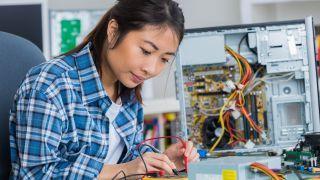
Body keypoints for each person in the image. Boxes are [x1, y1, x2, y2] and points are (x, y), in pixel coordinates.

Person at [9, 0, 199, 179]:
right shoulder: (50, 86)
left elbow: (128, 155)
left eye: (164, 59)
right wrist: (125, 170)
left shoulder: (128, 88)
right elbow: (36, 175)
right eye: (146, 51)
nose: (151, 68)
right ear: (113, 31)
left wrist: (162, 161)